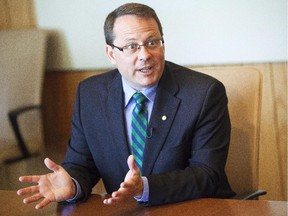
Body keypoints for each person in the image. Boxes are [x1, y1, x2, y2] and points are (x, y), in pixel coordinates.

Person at [17, 3, 235, 209]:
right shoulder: (90, 94)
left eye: (152, 42)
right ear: (112, 54)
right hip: (126, 211)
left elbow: (207, 173)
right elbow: (82, 164)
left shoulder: (204, 93)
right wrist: (73, 184)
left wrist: (145, 187)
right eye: (131, 46)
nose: (145, 55)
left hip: (196, 208)